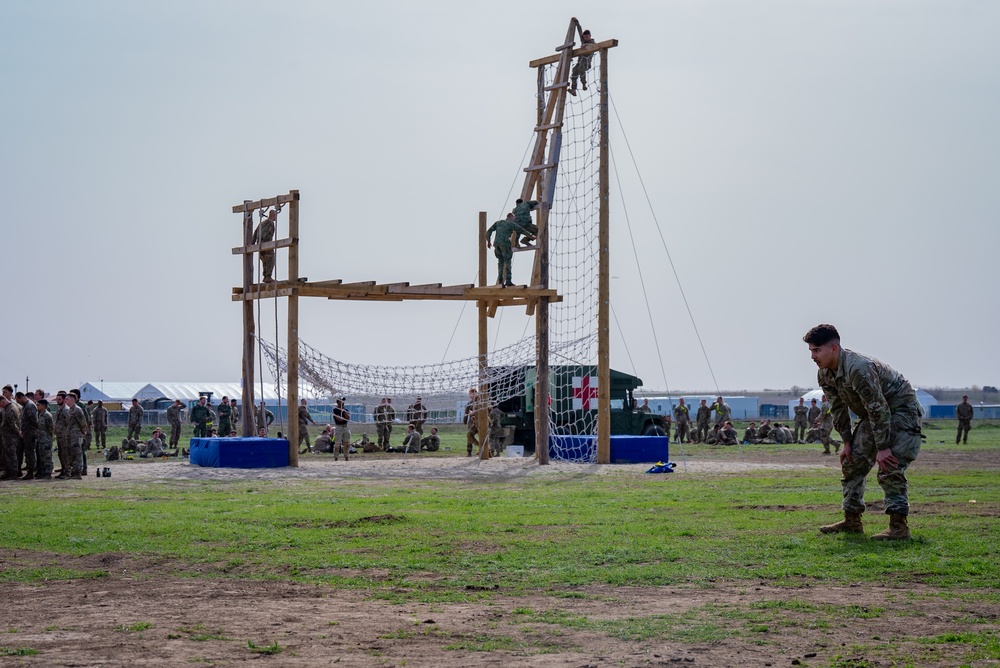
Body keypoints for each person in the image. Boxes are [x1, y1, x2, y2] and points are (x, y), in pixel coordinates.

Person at [805, 323, 922, 540]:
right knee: (852, 462)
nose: (813, 356)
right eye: (811, 350)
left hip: (900, 411)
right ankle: (852, 521)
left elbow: (879, 407)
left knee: (889, 465)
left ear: (834, 348)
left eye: (817, 350)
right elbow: (838, 408)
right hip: (875, 415)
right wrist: (847, 442)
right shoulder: (824, 374)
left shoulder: (858, 367)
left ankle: (898, 527)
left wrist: (883, 447)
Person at [486, 213, 534, 287]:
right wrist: (530, 235)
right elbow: (520, 229)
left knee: (500, 262)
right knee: (507, 261)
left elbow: (488, 232)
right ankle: (508, 280)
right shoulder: (510, 224)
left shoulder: (498, 223)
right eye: (514, 218)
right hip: (505, 244)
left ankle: (500, 281)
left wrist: (488, 241)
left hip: (497, 245)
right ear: (511, 217)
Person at [62, 392, 89, 480]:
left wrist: (83, 434)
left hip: (76, 436)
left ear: (73, 400)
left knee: (77, 454)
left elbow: (83, 423)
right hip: (70, 436)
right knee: (71, 454)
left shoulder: (77, 409)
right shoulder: (69, 410)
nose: (65, 401)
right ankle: (73, 472)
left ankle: (78, 473)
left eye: (67, 399)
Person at [15, 393, 38, 480]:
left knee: (29, 452)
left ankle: (31, 472)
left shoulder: (30, 405)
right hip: (25, 432)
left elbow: (34, 420)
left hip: (30, 433)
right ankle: (19, 470)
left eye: (18, 400)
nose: (18, 402)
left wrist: (32, 432)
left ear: (22, 398)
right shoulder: (25, 406)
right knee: (20, 451)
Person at [568, 29, 596, 96]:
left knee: (581, 68)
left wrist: (585, 46)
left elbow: (593, 46)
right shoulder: (583, 41)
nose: (586, 38)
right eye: (584, 37)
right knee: (574, 70)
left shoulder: (593, 43)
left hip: (586, 63)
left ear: (590, 36)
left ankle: (584, 84)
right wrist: (576, 22)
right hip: (580, 61)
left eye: (587, 37)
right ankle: (573, 89)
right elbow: (579, 31)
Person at [253, 209, 277, 283]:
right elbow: (264, 232)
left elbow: (255, 232)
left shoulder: (262, 223)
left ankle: (266, 276)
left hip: (260, 246)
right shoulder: (270, 223)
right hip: (266, 244)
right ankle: (268, 276)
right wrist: (262, 241)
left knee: (265, 260)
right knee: (270, 259)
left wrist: (253, 243)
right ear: (273, 215)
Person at [0, 394, 21, 480]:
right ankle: (8, 472)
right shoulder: (9, 407)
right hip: (7, 436)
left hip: (11, 436)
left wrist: (18, 433)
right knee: (7, 455)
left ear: (3, 402)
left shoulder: (10, 409)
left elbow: (13, 424)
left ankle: (13, 473)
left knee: (11, 455)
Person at [35, 398, 54, 479]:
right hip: (40, 439)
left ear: (44, 406)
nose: (37, 406)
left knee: (47, 457)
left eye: (39, 405)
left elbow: (51, 428)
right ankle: (42, 472)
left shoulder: (47, 415)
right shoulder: (40, 414)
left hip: (46, 440)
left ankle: (48, 473)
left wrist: (50, 438)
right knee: (42, 457)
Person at [463, 389, 480, 456]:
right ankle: (469, 451)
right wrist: (464, 421)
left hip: (480, 422)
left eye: (471, 394)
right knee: (469, 435)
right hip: (471, 422)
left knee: (482, 436)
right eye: (469, 394)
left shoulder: (480, 401)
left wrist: (474, 412)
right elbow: (466, 413)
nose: (470, 396)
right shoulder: (469, 403)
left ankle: (483, 450)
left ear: (475, 393)